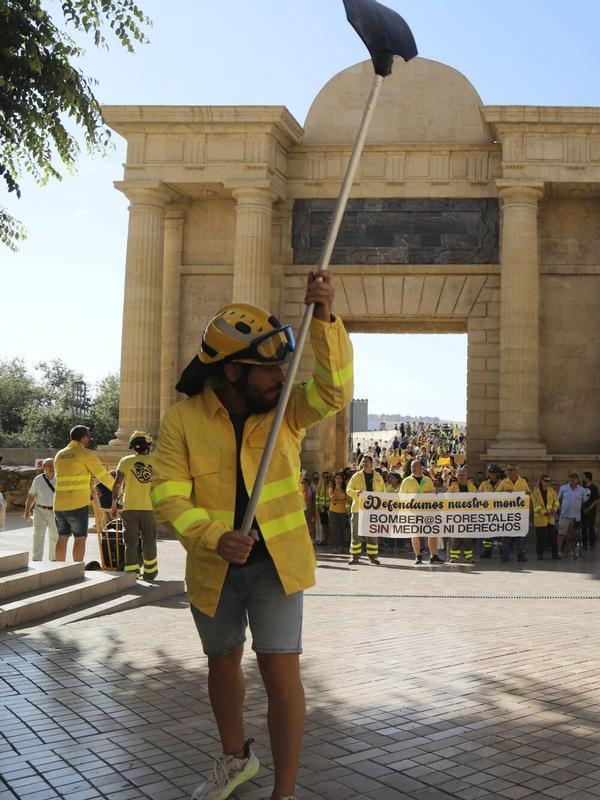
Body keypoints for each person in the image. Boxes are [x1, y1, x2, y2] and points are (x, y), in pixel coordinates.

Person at [151, 269, 351, 800]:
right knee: (222, 665)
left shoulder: (287, 411)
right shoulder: (181, 421)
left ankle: (283, 793)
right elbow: (169, 497)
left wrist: (326, 320)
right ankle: (235, 758)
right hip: (213, 567)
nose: (282, 377)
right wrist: (215, 536)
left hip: (276, 567)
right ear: (233, 371)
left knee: (280, 671)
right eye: (269, 370)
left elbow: (334, 391)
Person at [53, 425, 114, 563]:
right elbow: (103, 476)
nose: (88, 440)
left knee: (62, 538)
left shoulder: (59, 455)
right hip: (77, 503)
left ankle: (58, 569)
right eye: (88, 437)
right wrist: (119, 490)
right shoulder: (85, 454)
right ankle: (77, 569)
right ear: (84, 438)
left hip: (59, 504)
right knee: (80, 538)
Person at [112, 431, 159, 580]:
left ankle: (132, 572)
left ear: (133, 447)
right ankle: (150, 572)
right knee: (149, 540)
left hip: (129, 507)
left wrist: (113, 505)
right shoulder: (157, 461)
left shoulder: (125, 461)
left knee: (130, 541)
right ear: (148, 445)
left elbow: (117, 483)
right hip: (149, 508)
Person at [401, 459, 440, 564]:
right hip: (413, 512)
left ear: (421, 467)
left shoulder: (427, 480)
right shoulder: (406, 481)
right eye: (412, 466)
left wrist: (430, 494)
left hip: (427, 511)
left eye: (415, 466)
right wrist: (412, 498)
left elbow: (432, 495)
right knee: (415, 533)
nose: (413, 468)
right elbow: (401, 497)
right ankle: (418, 556)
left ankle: (434, 556)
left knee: (432, 532)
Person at [346, 456, 382, 565]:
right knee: (356, 534)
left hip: (373, 509)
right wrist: (356, 492)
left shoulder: (378, 476)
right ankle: (354, 557)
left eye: (366, 462)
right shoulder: (356, 476)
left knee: (372, 534)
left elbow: (383, 492)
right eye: (363, 462)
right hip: (358, 508)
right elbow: (348, 490)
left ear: (372, 463)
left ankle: (373, 557)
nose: (364, 463)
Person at [24, 459, 58, 561]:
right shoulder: (38, 479)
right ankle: (37, 559)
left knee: (54, 536)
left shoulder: (59, 479)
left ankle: (53, 559)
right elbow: (31, 495)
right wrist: (27, 511)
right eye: (49, 466)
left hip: (55, 512)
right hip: (40, 511)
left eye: (53, 465)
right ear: (44, 467)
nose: (52, 468)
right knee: (38, 535)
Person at [498, 464, 530, 563]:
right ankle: (505, 555)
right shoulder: (503, 482)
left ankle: (520, 554)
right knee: (506, 535)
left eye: (511, 470)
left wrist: (528, 494)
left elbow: (529, 493)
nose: (509, 471)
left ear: (516, 471)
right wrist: (505, 494)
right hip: (507, 513)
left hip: (519, 514)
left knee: (520, 535)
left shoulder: (523, 482)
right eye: (508, 470)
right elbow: (496, 495)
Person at [446, 467, 476, 564]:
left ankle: (469, 558)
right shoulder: (452, 488)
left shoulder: (472, 487)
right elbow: (447, 499)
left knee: (468, 539)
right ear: (456, 476)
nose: (461, 477)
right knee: (455, 539)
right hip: (456, 518)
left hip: (468, 517)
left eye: (463, 475)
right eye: (459, 475)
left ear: (467, 476)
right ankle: (454, 557)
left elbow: (477, 498)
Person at [556, 472, 589, 559]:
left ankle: (573, 551)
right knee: (561, 533)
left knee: (575, 535)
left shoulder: (582, 490)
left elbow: (584, 501)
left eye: (574, 478)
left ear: (577, 480)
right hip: (565, 514)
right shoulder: (563, 488)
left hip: (576, 516)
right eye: (571, 478)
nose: (572, 480)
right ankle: (559, 550)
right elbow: (559, 499)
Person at [477, 464, 505, 560]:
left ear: (498, 474)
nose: (492, 475)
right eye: (491, 473)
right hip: (487, 513)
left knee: (500, 534)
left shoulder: (503, 484)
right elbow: (478, 496)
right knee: (487, 534)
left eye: (494, 473)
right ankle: (487, 551)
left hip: (500, 513)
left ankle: (502, 551)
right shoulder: (484, 484)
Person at [532, 474, 560, 559]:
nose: (548, 482)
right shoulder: (535, 492)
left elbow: (557, 502)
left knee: (553, 537)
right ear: (541, 481)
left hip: (550, 518)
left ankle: (555, 554)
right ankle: (540, 554)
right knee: (540, 538)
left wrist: (554, 510)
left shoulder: (552, 491)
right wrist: (544, 512)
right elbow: (535, 506)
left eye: (549, 481)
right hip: (540, 519)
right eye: (546, 481)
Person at [327, 473, 350, 554]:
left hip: (342, 512)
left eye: (340, 478)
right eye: (336, 478)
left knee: (342, 530)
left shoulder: (345, 489)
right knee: (334, 530)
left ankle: (342, 547)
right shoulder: (332, 488)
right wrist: (336, 490)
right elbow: (332, 499)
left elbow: (346, 499)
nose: (338, 480)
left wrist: (337, 501)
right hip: (333, 512)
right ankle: (335, 547)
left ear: (342, 480)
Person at [580, 471, 600, 550]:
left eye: (583, 477)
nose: (582, 479)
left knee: (590, 527)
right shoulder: (581, 487)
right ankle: (584, 543)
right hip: (582, 510)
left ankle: (592, 543)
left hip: (590, 511)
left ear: (587, 478)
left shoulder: (594, 488)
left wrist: (589, 508)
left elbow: (596, 500)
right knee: (583, 527)